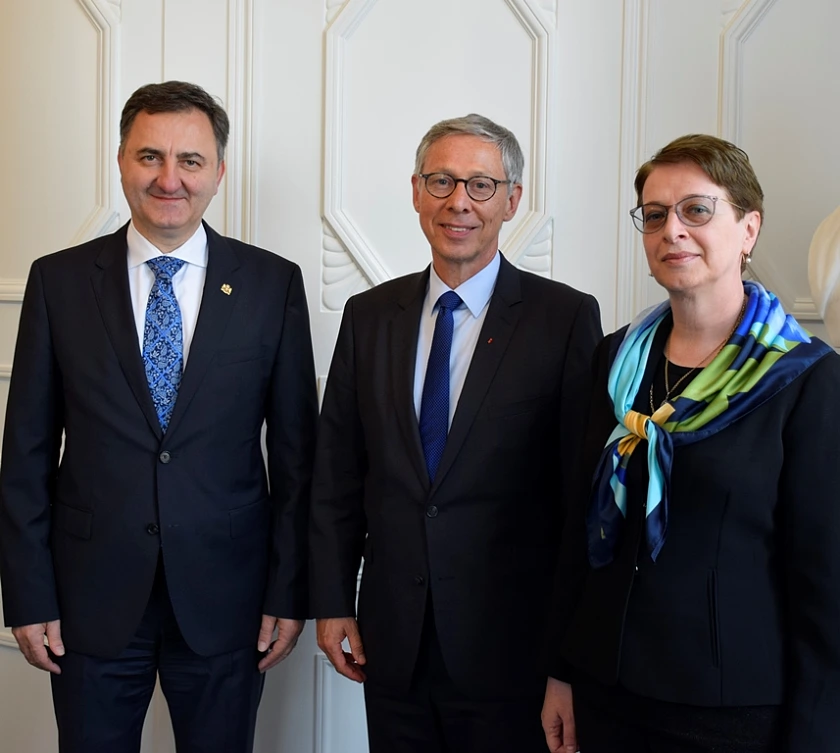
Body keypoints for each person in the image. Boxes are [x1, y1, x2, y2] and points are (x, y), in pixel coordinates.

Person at [0, 81, 318, 753]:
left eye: (191, 160)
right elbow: (25, 454)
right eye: (150, 157)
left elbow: (298, 461)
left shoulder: (271, 284)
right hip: (88, 600)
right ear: (120, 162)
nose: (169, 178)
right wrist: (28, 596)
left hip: (229, 600)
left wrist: (289, 591)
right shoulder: (59, 282)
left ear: (219, 171)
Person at [310, 113, 602, 753]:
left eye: (480, 185)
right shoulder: (368, 317)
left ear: (512, 200)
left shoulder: (564, 320)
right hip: (394, 645)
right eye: (441, 181)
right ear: (416, 191)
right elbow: (337, 475)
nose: (458, 202)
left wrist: (567, 659)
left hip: (512, 649)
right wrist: (332, 602)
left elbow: (579, 502)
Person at [541, 134, 840, 753]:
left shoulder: (807, 378)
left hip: (729, 712)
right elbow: (581, 530)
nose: (671, 230)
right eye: (654, 215)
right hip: (606, 690)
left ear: (748, 229)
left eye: (696, 210)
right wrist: (561, 670)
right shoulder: (617, 358)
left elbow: (826, 588)